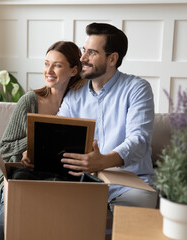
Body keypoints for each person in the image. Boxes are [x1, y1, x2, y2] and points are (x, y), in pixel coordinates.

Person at [0, 41, 84, 240]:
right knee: (13, 198)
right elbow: (4, 148)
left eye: (57, 65)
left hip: (61, 174)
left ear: (74, 70)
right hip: (22, 171)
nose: (48, 70)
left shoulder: (82, 103)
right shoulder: (30, 101)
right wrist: (36, 138)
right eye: (46, 63)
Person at [56, 22, 158, 213]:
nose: (82, 58)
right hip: (84, 183)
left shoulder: (137, 88)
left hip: (131, 183)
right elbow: (58, 132)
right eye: (83, 50)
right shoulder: (74, 94)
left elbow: (139, 140)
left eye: (92, 53)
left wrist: (103, 161)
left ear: (112, 59)